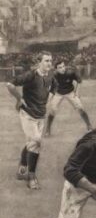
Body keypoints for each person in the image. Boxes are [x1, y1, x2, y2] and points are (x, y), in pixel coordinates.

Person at [5, 51, 58, 190]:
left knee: (31, 143)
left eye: (50, 61)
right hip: (28, 114)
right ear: (39, 62)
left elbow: (55, 86)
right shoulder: (31, 75)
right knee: (36, 142)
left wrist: (50, 99)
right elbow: (10, 84)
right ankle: (31, 177)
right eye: (46, 61)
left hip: (41, 115)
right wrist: (19, 98)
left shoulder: (50, 76)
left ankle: (21, 170)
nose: (49, 63)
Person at [45, 60, 92, 136]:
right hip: (58, 93)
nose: (63, 68)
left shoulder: (70, 72)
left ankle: (89, 126)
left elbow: (79, 81)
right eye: (60, 68)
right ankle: (48, 129)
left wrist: (77, 92)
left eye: (63, 66)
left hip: (70, 92)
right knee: (52, 110)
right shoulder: (53, 75)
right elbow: (49, 86)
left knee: (80, 108)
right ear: (56, 69)